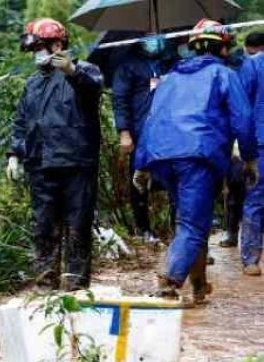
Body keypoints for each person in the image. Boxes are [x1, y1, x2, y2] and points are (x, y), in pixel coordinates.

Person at [134, 19, 259, 303]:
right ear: (223, 49)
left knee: (192, 220)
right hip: (198, 156)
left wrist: (141, 165)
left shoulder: (169, 78)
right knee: (192, 224)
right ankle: (169, 279)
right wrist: (250, 158)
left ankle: (199, 285)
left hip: (164, 157)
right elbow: (243, 118)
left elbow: (150, 120)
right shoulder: (223, 75)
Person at [6, 17, 104, 291]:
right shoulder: (33, 84)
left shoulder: (85, 71)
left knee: (78, 226)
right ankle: (45, 286)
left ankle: (75, 287)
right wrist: (14, 153)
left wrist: (73, 71)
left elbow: (92, 89)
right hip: (42, 165)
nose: (36, 54)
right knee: (44, 228)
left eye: (40, 47)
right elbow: (22, 122)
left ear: (57, 44)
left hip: (77, 163)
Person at [113, 34, 171, 242]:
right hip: (140, 132)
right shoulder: (128, 66)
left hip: (169, 130)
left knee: (175, 178)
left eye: (156, 36)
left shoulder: (170, 62)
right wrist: (124, 131)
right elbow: (120, 101)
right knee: (139, 179)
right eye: (147, 37)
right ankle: (143, 228)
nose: (153, 40)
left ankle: (177, 228)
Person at [238, 31, 264, 275]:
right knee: (256, 197)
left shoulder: (251, 65)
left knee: (256, 199)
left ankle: (251, 258)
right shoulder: (254, 66)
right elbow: (242, 106)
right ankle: (250, 257)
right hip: (259, 141)